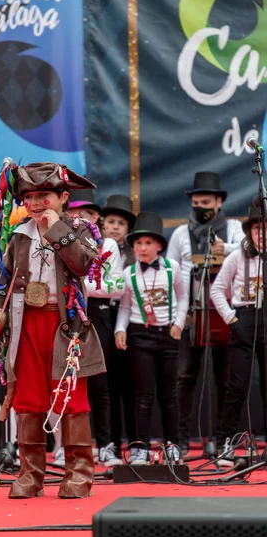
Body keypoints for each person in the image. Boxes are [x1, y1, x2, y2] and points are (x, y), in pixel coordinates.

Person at [0, 161, 105, 499]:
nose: (36, 204)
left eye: (44, 196)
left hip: (65, 328)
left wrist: (55, 230)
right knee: (28, 399)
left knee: (71, 398)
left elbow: (82, 264)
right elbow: (2, 280)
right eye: (30, 197)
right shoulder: (19, 235)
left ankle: (80, 473)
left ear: (63, 196)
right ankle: (30, 474)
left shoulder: (81, 229)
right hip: (26, 325)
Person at [167, 172, 244, 454]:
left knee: (225, 379)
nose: (200, 207)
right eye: (196, 202)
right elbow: (171, 274)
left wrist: (228, 249)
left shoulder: (234, 229)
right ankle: (182, 439)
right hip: (191, 316)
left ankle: (223, 440)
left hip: (225, 315)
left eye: (206, 201)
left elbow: (251, 250)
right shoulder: (179, 234)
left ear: (219, 202)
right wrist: (179, 315)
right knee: (184, 378)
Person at [115, 212, 188, 464]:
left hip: (167, 335)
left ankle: (172, 444)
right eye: (138, 243)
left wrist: (178, 323)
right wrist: (120, 329)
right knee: (143, 395)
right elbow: (124, 306)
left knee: (169, 394)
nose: (142, 248)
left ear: (159, 246)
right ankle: (140, 446)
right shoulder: (128, 273)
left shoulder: (173, 268)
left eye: (148, 243)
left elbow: (183, 297)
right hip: (140, 335)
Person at [65, 189, 124, 467]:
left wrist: (77, 288)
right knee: (66, 381)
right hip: (65, 317)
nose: (81, 218)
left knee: (101, 384)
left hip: (97, 317)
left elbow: (117, 286)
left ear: (96, 216)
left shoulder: (107, 245)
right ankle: (68, 444)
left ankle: (106, 444)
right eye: (76, 213)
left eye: (88, 213)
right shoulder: (60, 241)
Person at [211, 199, 267, 465]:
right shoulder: (237, 257)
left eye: (264, 228)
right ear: (249, 232)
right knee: (237, 387)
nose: (260, 233)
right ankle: (226, 445)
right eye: (256, 229)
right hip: (243, 318)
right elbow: (216, 289)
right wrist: (232, 319)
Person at [102, 194, 137, 457]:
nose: (115, 227)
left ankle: (136, 441)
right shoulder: (97, 249)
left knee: (133, 384)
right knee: (108, 384)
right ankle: (110, 441)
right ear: (102, 224)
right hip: (105, 316)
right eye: (110, 221)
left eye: (120, 223)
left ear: (128, 230)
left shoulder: (137, 255)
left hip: (133, 321)